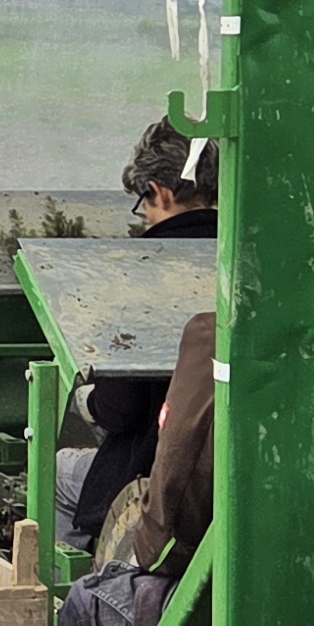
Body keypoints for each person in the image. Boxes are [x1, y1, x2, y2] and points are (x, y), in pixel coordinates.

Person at [56, 115, 218, 548]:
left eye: (143, 204)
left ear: (161, 192)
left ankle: (78, 594)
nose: (145, 216)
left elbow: (122, 409)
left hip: (155, 479)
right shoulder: (251, 254)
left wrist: (88, 400)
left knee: (55, 473)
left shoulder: (137, 269)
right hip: (228, 476)